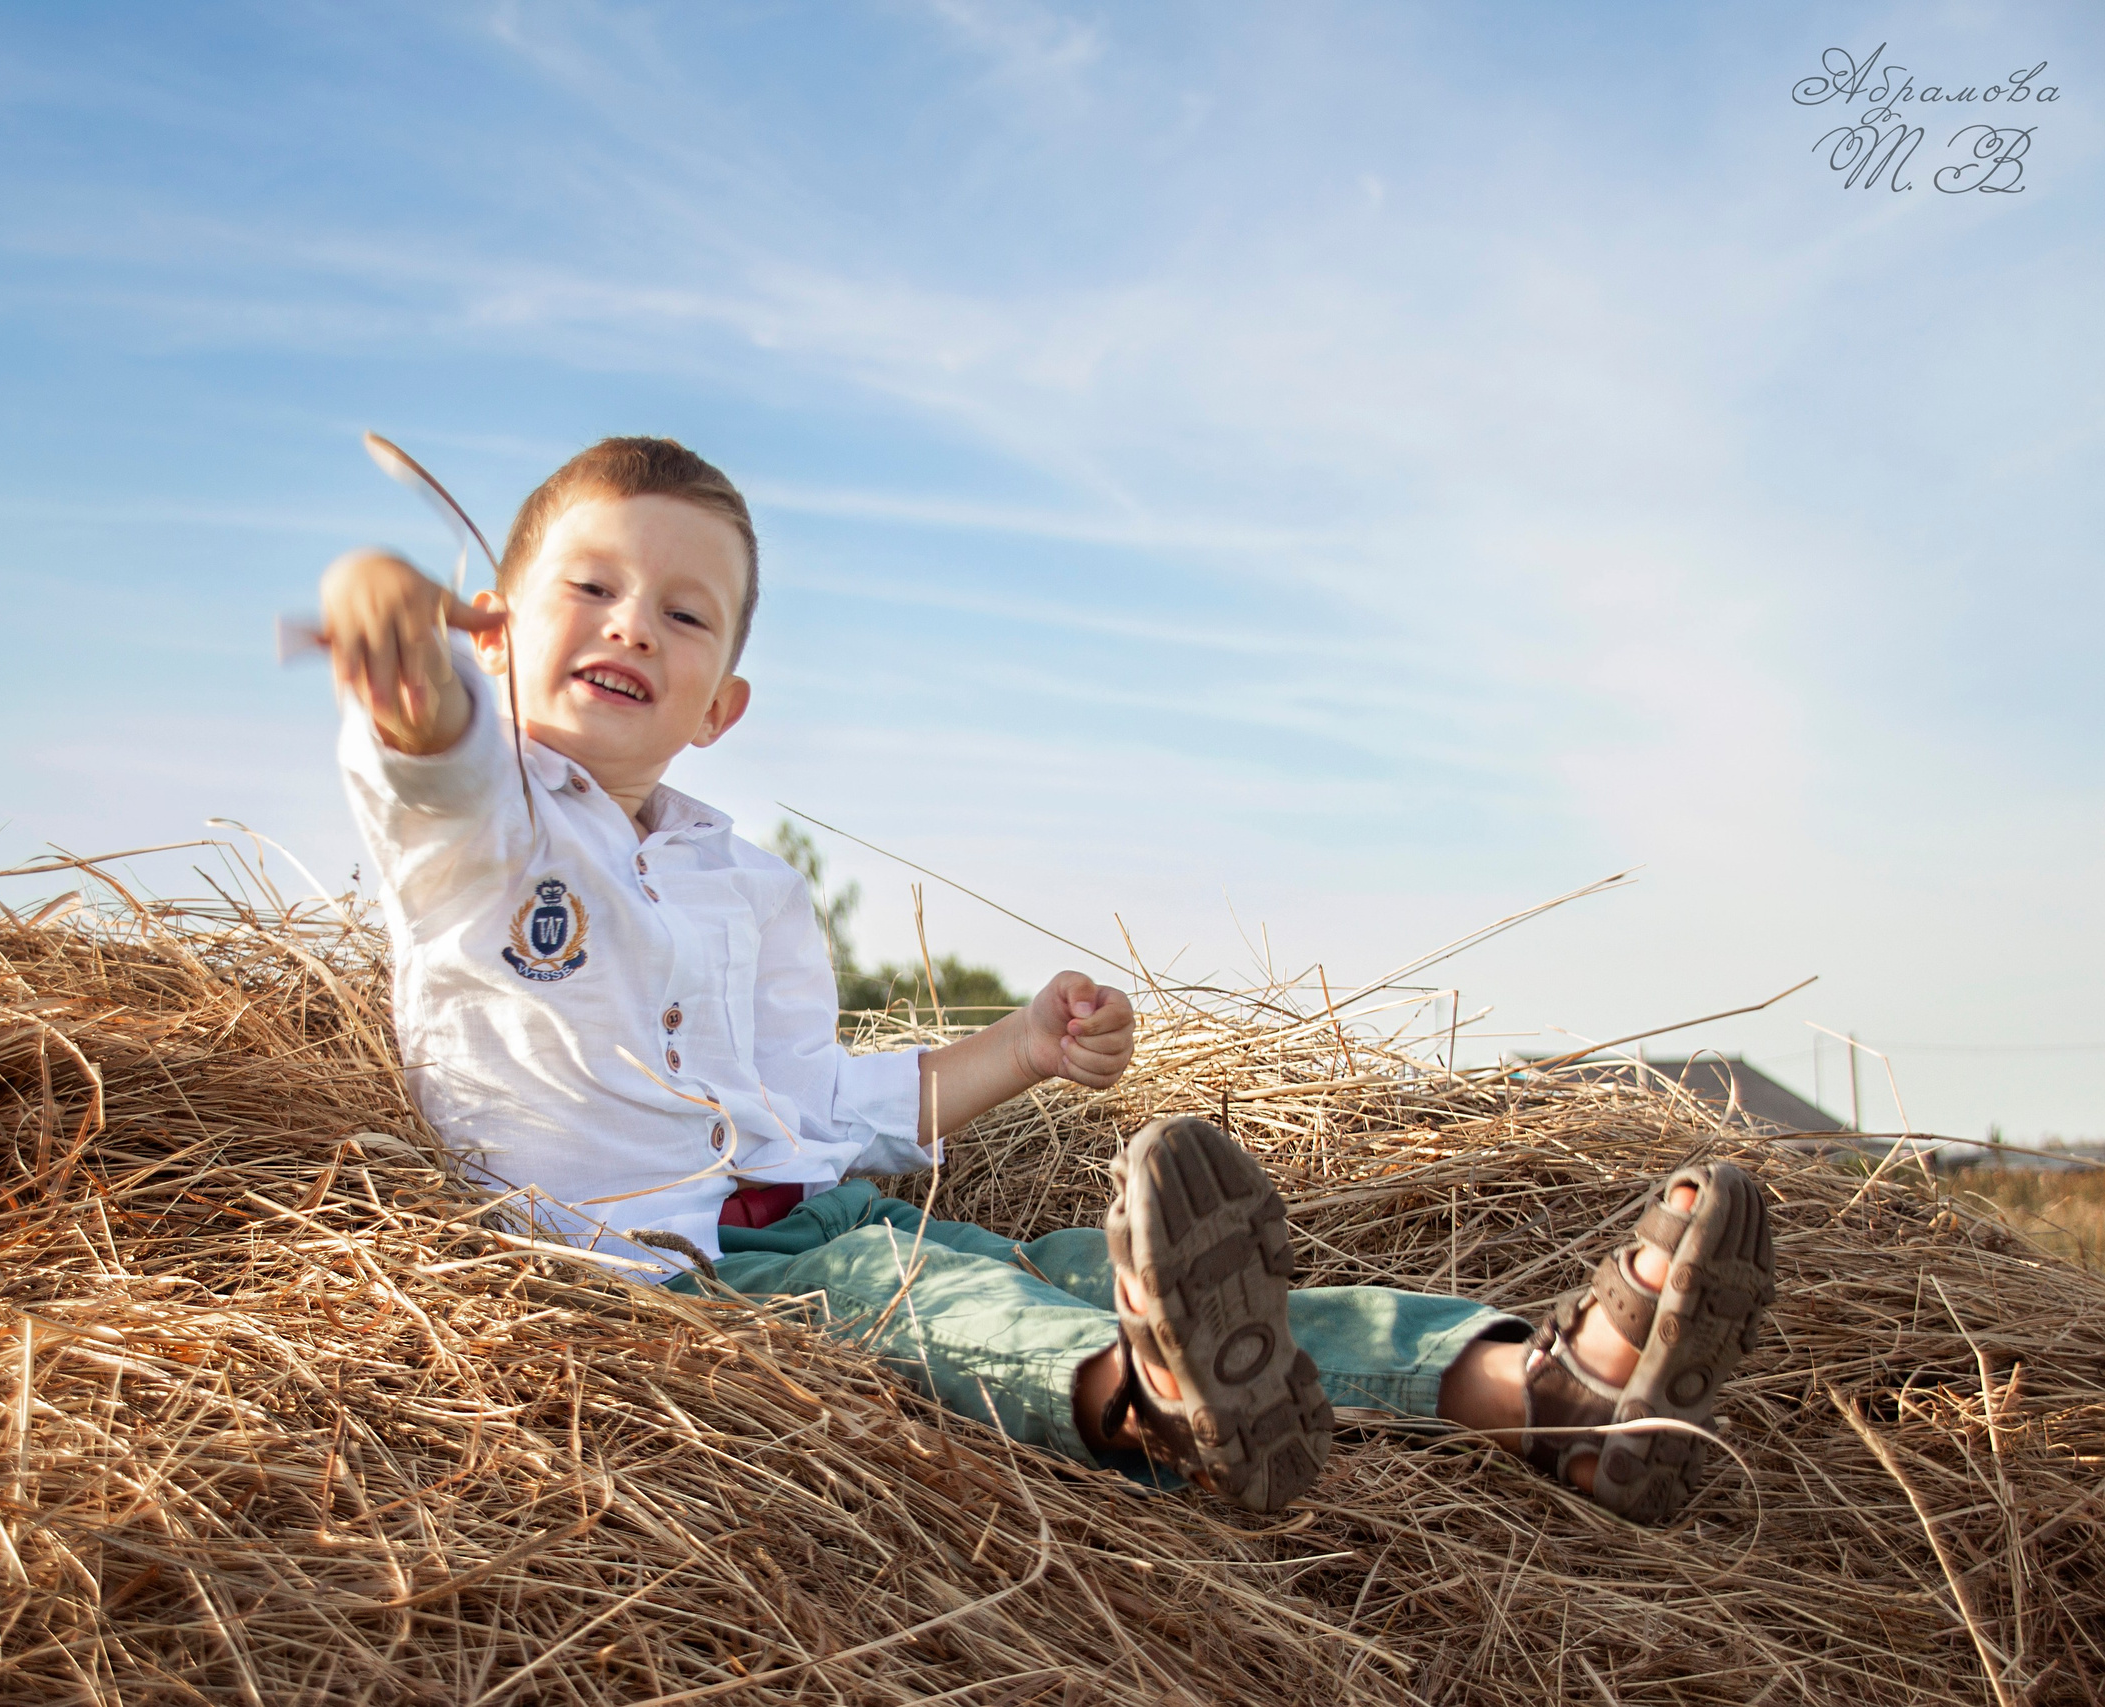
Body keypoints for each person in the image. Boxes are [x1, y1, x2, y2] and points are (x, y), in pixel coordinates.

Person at [323, 436, 1778, 1522]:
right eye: (590, 588)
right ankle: (1144, 1410)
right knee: (922, 1307)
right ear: (491, 629)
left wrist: (1022, 1047)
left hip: (817, 1213)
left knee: (1070, 1269)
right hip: (667, 1269)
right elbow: (423, 741)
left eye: (684, 615)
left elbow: (824, 1104)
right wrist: (386, 619)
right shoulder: (483, 826)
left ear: (723, 708)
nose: (634, 622)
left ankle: (1541, 1392)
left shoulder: (747, 885)